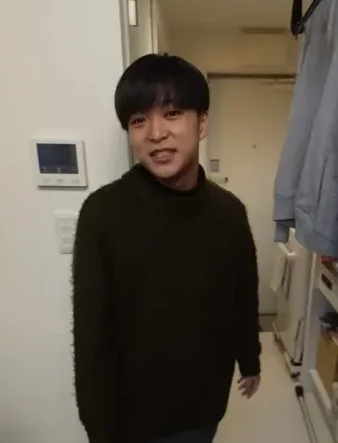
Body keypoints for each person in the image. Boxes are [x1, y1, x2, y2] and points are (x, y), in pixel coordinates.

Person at [72, 53, 262, 443]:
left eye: (172, 113)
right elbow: (92, 336)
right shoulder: (103, 213)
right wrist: (99, 430)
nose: (155, 133)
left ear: (202, 123)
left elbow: (243, 296)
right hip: (131, 419)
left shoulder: (229, 213)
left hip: (203, 405)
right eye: (138, 120)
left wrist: (250, 359)